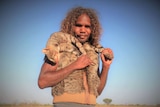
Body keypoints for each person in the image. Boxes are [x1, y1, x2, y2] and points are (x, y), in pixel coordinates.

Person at [38, 6, 114, 107]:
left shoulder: (92, 52)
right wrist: (75, 65)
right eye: (78, 25)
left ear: (92, 29)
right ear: (71, 26)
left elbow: (97, 92)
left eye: (87, 26)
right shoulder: (59, 46)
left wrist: (106, 67)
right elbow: (42, 82)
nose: (83, 30)